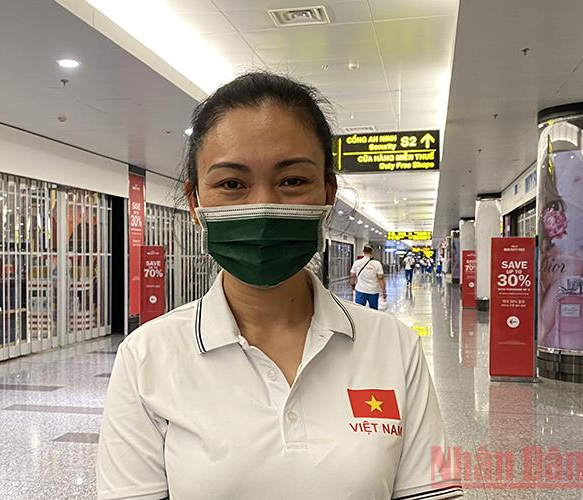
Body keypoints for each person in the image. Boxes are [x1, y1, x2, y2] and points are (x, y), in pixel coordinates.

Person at [96, 72, 461, 500]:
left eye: (292, 181)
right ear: (196, 203)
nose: (263, 207)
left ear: (327, 193)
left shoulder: (396, 347)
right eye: (232, 184)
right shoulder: (146, 357)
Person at [349, 245, 386, 310]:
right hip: (373, 291)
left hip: (360, 290)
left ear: (363, 252)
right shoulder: (377, 264)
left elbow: (352, 276)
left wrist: (352, 285)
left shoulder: (357, 263)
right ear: (372, 252)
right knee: (373, 310)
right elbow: (380, 278)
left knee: (359, 309)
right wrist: (384, 291)